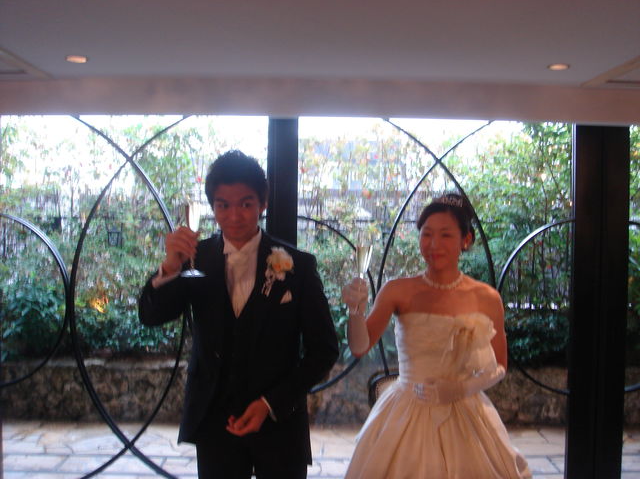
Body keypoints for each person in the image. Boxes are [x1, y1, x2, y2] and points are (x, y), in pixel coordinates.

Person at [138, 150, 339, 479]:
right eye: (223, 205)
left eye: (246, 204)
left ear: (263, 203)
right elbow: (150, 315)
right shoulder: (194, 259)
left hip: (279, 423)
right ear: (213, 207)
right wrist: (170, 266)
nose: (234, 215)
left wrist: (270, 403)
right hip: (215, 420)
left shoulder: (298, 266)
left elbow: (324, 350)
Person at [341, 192, 531, 478]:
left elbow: (500, 366)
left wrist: (458, 390)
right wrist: (355, 310)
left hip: (465, 411)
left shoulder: (486, 297)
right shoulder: (397, 290)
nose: (433, 244)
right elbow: (359, 347)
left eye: (445, 235)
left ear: (466, 240)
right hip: (405, 410)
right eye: (427, 234)